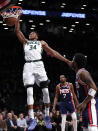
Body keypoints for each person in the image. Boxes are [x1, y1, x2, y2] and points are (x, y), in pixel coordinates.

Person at [14, 14, 69, 131]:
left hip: (39, 65)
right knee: (29, 92)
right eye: (30, 32)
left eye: (33, 32)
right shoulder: (25, 42)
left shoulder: (41, 43)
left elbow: (53, 52)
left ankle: (47, 116)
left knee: (45, 91)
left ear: (37, 36)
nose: (31, 33)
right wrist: (17, 17)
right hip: (28, 65)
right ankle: (32, 119)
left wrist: (66, 61)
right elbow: (17, 30)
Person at [62, 53, 98, 131]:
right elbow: (66, 61)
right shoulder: (78, 73)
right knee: (85, 129)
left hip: (90, 104)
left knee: (93, 128)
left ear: (75, 63)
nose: (71, 62)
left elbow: (94, 88)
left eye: (73, 60)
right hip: (84, 106)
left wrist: (84, 103)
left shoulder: (83, 73)